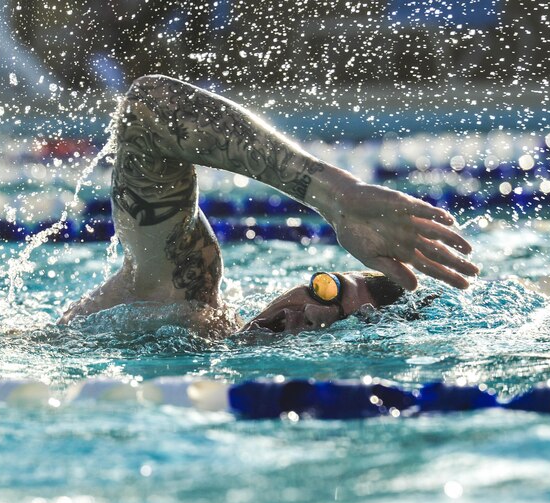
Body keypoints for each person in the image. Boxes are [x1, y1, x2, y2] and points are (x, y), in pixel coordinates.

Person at [59, 75, 479, 336]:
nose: (313, 313)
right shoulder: (183, 296)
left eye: (343, 325)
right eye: (327, 290)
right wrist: (334, 195)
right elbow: (150, 108)